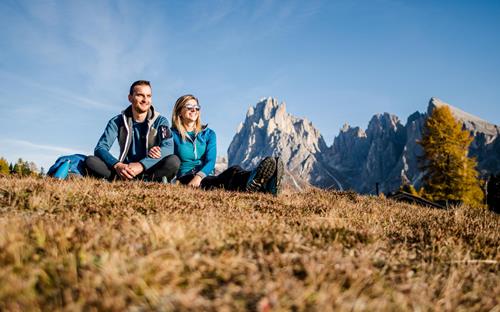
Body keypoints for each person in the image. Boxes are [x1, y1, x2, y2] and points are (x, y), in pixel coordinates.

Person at [148, 94, 284, 195]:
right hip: (185, 179)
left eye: (196, 107)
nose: (194, 110)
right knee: (220, 182)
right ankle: (264, 185)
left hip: (204, 176)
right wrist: (156, 150)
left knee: (233, 170)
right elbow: (166, 152)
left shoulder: (208, 134)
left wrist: (198, 177)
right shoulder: (173, 134)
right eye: (189, 107)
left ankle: (264, 184)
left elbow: (211, 160)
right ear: (179, 112)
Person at [85, 80, 180, 182]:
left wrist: (141, 165)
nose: (145, 100)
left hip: (149, 169)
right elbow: (100, 148)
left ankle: (145, 181)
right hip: (124, 169)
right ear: (130, 98)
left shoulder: (161, 121)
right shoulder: (116, 121)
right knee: (91, 161)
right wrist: (117, 165)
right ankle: (123, 178)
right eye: (140, 95)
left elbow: (168, 147)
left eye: (148, 96)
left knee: (173, 161)